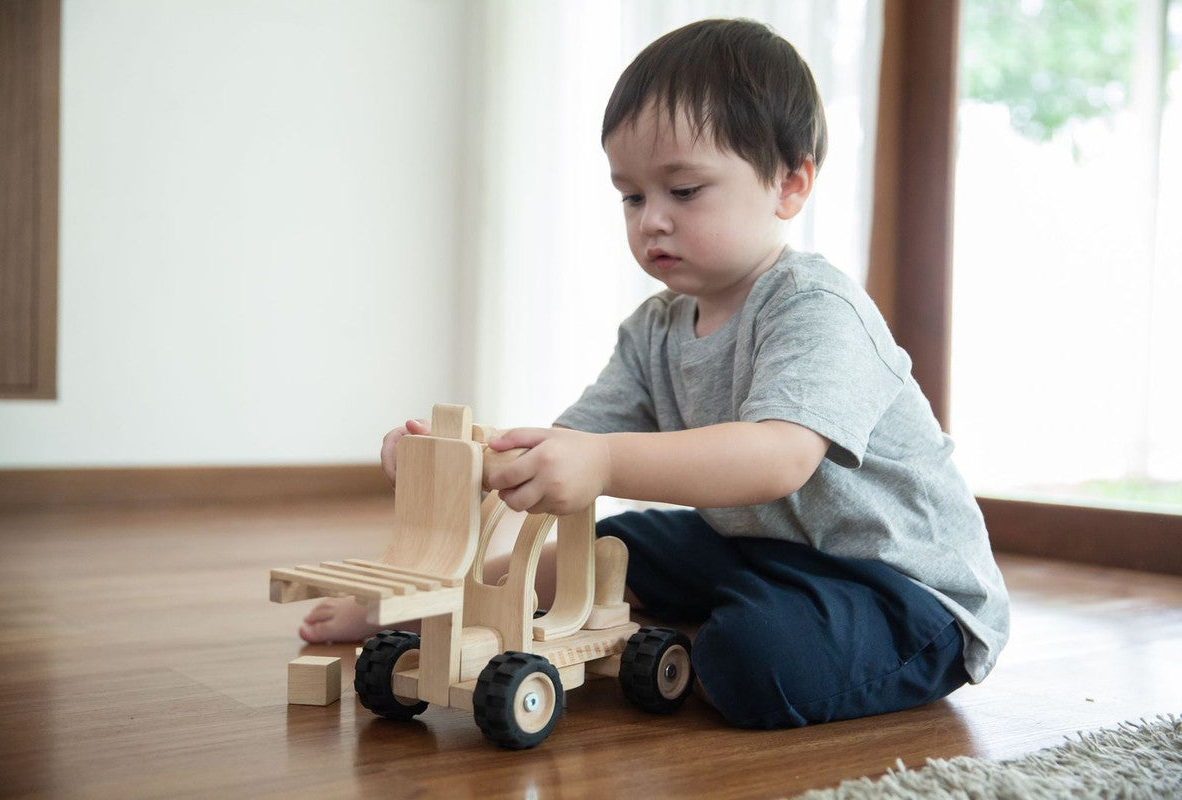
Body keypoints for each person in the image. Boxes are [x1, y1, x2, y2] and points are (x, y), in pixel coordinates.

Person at [300, 17, 1009, 730]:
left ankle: (708, 641)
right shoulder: (654, 328)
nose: (651, 222)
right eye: (632, 197)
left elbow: (777, 458)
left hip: (901, 592)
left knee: (754, 660)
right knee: (614, 551)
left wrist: (603, 462)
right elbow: (564, 445)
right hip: (756, 551)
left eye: (684, 190)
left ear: (788, 186)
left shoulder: (815, 307)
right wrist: (454, 460)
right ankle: (437, 607)